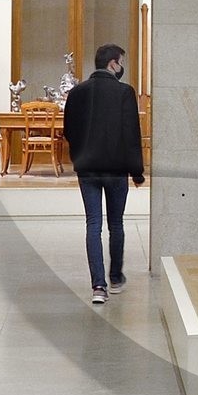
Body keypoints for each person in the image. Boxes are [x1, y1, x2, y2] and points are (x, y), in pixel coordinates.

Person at [61, 43, 145, 305]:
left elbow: (68, 131)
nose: (122, 67)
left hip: (87, 168)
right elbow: (132, 134)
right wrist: (137, 171)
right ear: (113, 64)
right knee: (116, 224)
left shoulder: (77, 93)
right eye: (121, 62)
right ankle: (116, 277)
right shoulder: (124, 92)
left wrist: (80, 155)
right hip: (116, 168)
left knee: (93, 225)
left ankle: (98, 286)